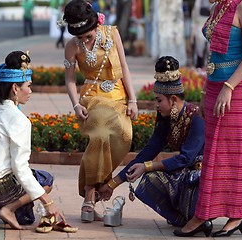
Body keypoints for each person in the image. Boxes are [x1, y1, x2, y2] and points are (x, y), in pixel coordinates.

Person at [174, 0, 242, 237]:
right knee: (213, 153)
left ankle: (233, 214)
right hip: (216, 86)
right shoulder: (220, 7)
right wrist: (207, 91)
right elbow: (213, 55)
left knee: (230, 151)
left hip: (235, 87)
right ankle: (208, 212)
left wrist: (228, 87)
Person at [99, 56, 205, 227]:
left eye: (159, 100)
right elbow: (147, 153)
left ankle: (195, 217)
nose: (155, 105)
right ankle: (181, 219)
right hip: (183, 174)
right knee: (149, 180)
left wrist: (148, 166)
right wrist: (112, 184)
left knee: (151, 173)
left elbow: (185, 158)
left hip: (203, 178)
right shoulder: (166, 120)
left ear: (173, 100)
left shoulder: (197, 117)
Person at [0, 51, 66, 230]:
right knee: (45, 180)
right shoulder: (19, 120)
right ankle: (7, 209)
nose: (30, 91)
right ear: (15, 88)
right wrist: (48, 201)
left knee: (26, 210)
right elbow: (21, 169)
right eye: (28, 86)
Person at [62, 0, 138, 222]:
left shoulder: (112, 33)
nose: (85, 41)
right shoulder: (71, 46)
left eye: (89, 35)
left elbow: (124, 67)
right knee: (100, 135)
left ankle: (102, 185)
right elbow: (69, 80)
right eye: (81, 37)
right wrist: (76, 105)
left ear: (96, 25)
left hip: (117, 94)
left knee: (125, 136)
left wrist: (132, 100)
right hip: (91, 97)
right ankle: (89, 193)